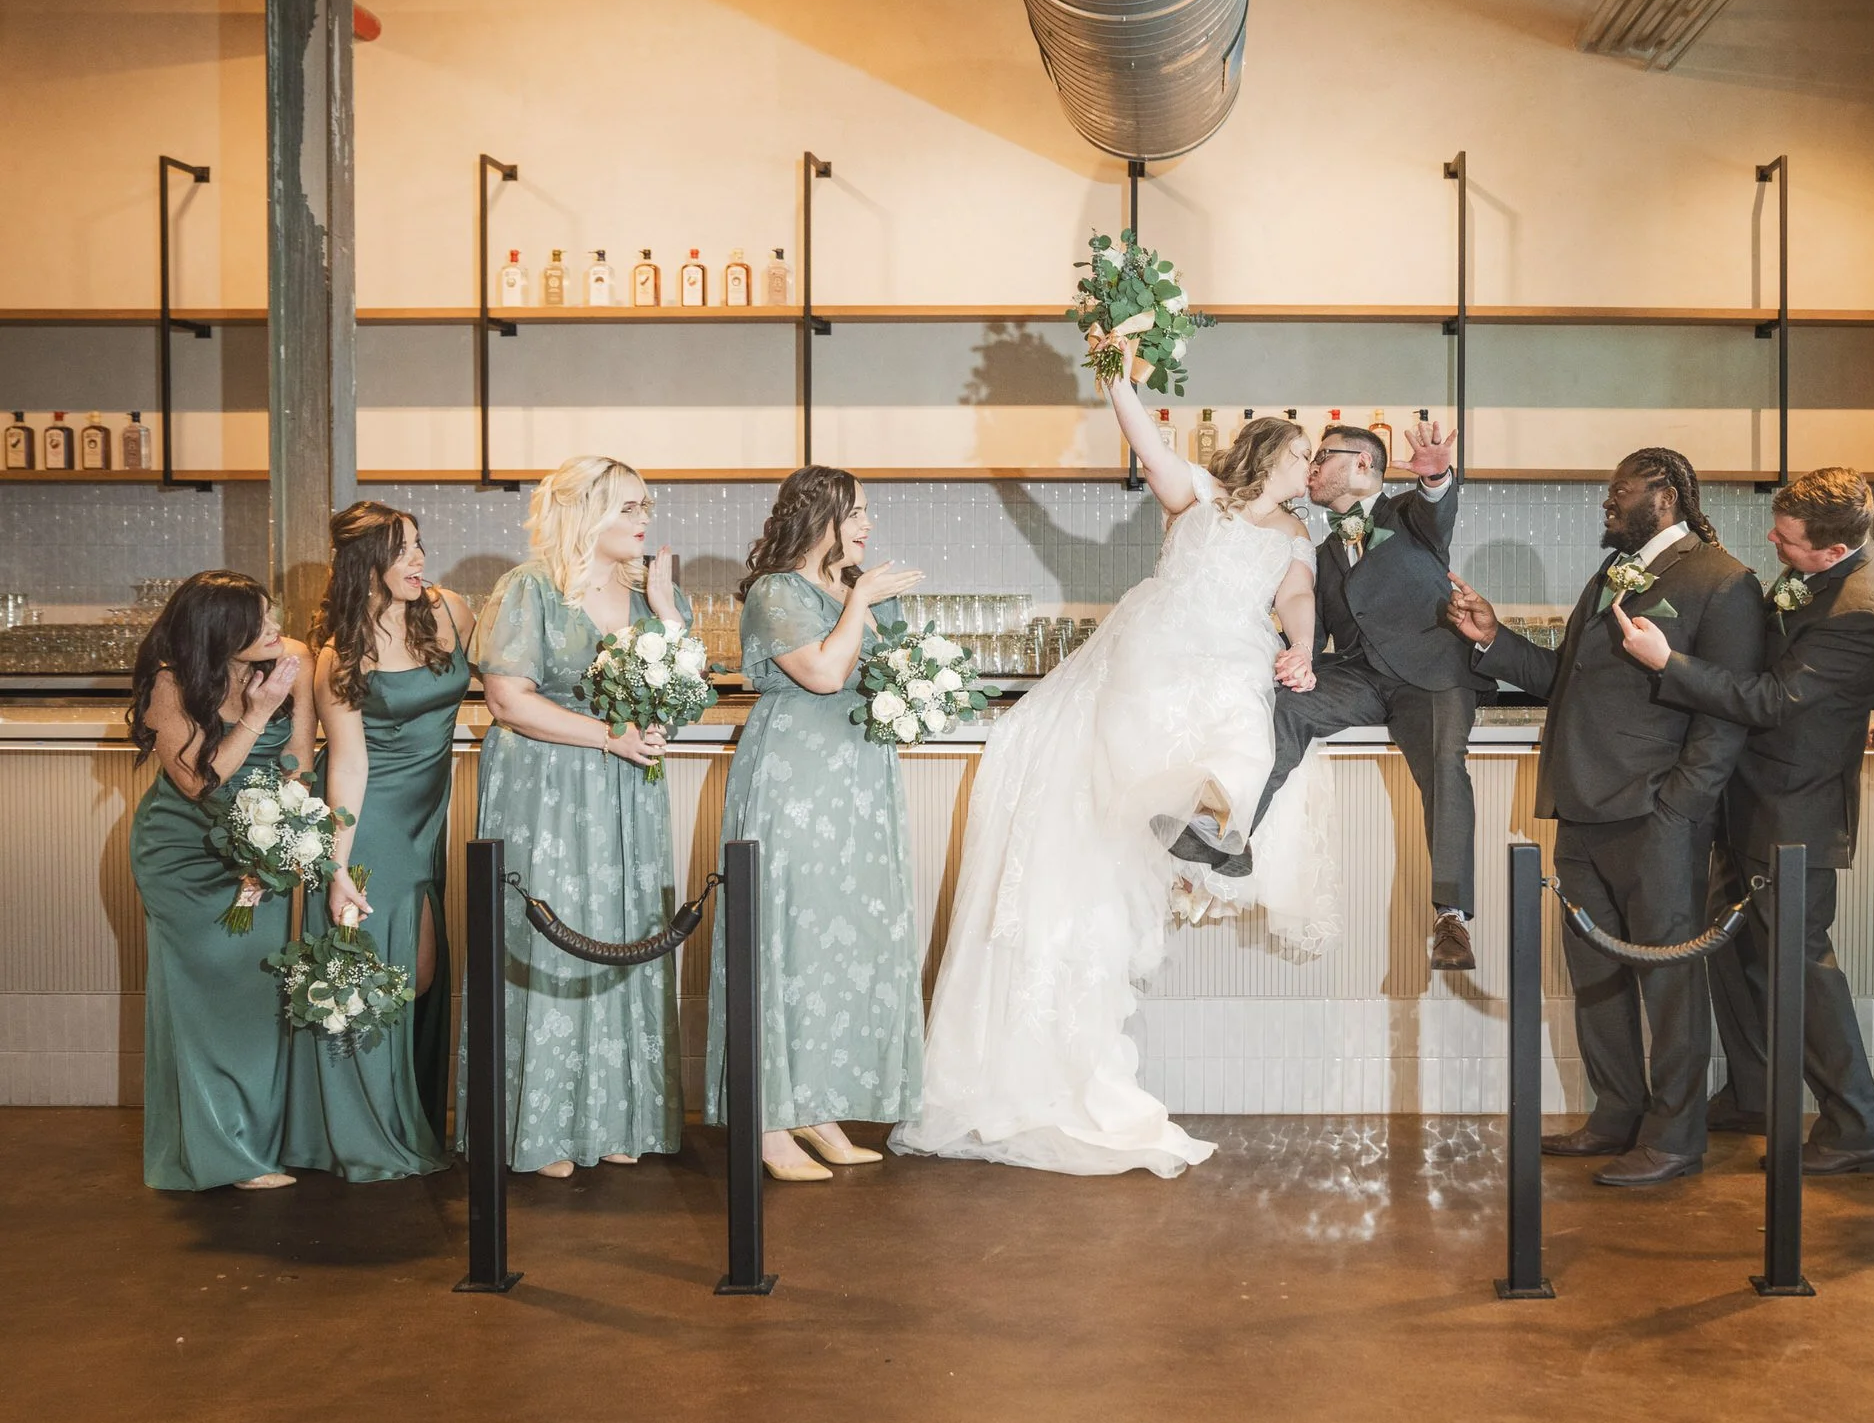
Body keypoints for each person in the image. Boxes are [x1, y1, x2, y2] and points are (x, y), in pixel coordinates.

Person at [894, 337, 1335, 1176]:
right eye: (1303, 451)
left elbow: (1298, 597)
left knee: (1244, 735)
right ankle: (1164, 822)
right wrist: (1117, 379)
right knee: (1142, 728)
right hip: (1158, 643)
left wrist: (1303, 650)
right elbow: (1148, 444)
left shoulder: (1296, 534)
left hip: (1233, 656)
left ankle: (1193, 834)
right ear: (1271, 453)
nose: (1309, 465)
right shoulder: (1199, 496)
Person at [1447, 450, 1762, 1187]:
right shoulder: (1613, 572)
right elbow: (1569, 681)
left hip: (1658, 814)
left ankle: (1677, 1136)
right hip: (1581, 807)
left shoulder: (1725, 581)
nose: (1605, 502)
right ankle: (1617, 1112)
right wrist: (1492, 639)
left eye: (1618, 489)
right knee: (1597, 975)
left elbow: (1728, 710)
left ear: (1667, 492)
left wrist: (1682, 803)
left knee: (1669, 982)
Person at [1614, 466, 1874, 1174]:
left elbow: (1773, 699)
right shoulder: (1835, 565)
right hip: (1753, 799)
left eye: (1788, 538)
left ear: (1832, 553)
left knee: (1801, 970)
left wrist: (1668, 660)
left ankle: (1855, 1123)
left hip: (1794, 809)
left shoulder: (1858, 607)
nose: (1772, 539)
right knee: (1739, 957)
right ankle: (1752, 1093)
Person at [469, 455, 692, 1179]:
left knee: (624, 928)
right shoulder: (528, 589)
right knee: (553, 931)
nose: (644, 520)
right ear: (583, 512)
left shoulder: (657, 594)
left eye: (646, 507)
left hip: (630, 789)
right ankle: (545, 1124)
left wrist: (664, 614)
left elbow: (680, 692)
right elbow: (507, 700)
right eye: (629, 507)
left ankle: (618, 1114)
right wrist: (607, 736)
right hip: (547, 787)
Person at [709, 467, 926, 1181]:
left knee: (842, 942)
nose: (867, 523)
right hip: (796, 781)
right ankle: (769, 1119)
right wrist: (862, 596)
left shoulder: (848, 585)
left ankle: (815, 1106)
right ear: (819, 516)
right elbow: (827, 675)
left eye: (868, 510)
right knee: (787, 937)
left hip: (859, 782)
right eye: (855, 511)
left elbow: (879, 672)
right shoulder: (778, 591)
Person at [1213, 415, 1475, 969]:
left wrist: (1436, 480)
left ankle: (1452, 916)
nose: (1310, 469)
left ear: (1362, 463)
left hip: (1428, 678)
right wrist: (1298, 657)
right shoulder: (1320, 548)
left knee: (1443, 764)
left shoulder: (1408, 515)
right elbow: (1311, 622)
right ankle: (1232, 841)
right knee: (1283, 707)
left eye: (1322, 456)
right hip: (1356, 677)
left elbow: (1437, 507)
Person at [285, 502, 470, 1183]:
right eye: (404, 551)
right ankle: (370, 1123)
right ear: (366, 563)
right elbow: (349, 765)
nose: (420, 561)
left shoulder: (451, 611)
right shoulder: (341, 652)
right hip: (380, 821)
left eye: (421, 545)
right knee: (401, 972)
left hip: (431, 816)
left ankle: (406, 1108)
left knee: (418, 973)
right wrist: (336, 866)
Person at [126, 570, 316, 1191]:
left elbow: (299, 760)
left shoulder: (285, 665)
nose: (274, 627)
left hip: (258, 848)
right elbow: (199, 782)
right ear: (219, 633)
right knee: (203, 998)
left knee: (252, 994)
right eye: (258, 620)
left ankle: (251, 1142)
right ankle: (220, 1154)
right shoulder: (170, 684)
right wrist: (258, 714)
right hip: (185, 858)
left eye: (270, 613)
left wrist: (288, 830)